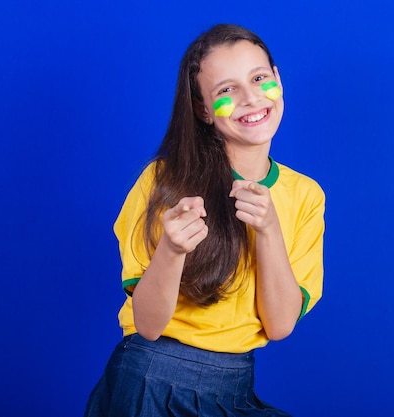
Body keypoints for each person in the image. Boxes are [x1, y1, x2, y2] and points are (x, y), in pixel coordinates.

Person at [85, 23, 325, 417]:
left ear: (278, 79)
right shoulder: (163, 182)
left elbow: (280, 326)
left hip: (235, 388)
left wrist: (268, 231)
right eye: (227, 90)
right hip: (150, 384)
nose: (250, 98)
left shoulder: (306, 195)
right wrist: (172, 248)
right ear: (203, 109)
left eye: (260, 78)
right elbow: (147, 324)